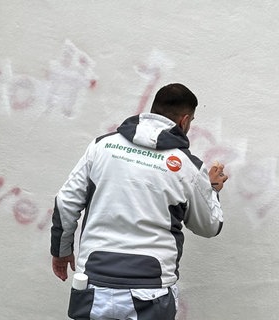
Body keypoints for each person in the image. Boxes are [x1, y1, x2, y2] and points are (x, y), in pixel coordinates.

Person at [50, 83, 228, 320]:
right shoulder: (188, 167)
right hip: (151, 291)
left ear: (152, 112)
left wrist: (61, 252)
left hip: (94, 284)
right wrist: (211, 189)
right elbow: (209, 225)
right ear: (185, 121)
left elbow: (66, 202)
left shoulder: (101, 146)